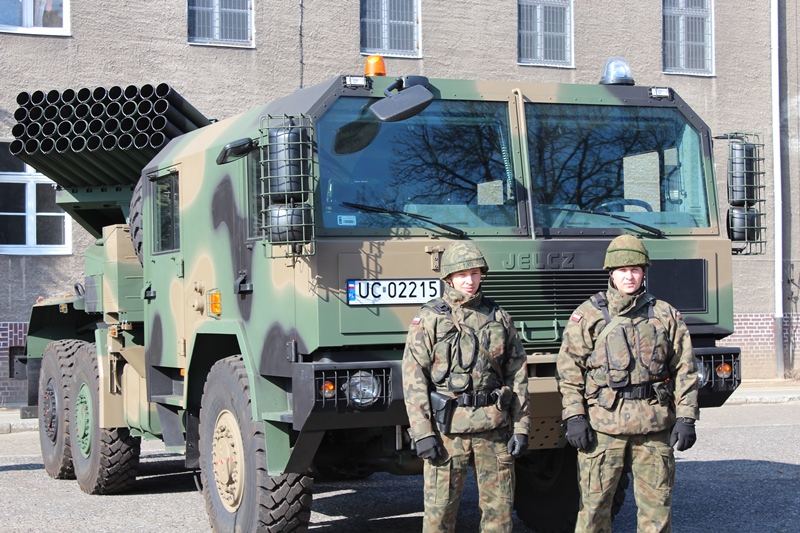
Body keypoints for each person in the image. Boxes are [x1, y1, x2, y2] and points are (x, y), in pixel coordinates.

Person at [557, 234, 699, 533]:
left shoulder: (665, 314)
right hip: (604, 427)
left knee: (657, 511)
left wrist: (686, 417)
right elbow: (569, 370)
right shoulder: (589, 315)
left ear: (644, 272)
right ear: (611, 274)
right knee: (594, 511)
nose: (629, 276)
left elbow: (685, 368)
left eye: (635, 269)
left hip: (654, 426)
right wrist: (574, 416)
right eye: (623, 270)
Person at [402, 241, 530, 533]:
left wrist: (521, 427)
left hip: (493, 429)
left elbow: (517, 374)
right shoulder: (430, 318)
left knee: (499, 516)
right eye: (462, 274)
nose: (469, 281)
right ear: (449, 278)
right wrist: (422, 432)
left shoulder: (498, 316)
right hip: (448, 431)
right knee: (439, 515)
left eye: (474, 273)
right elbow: (413, 378)